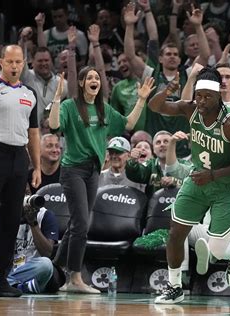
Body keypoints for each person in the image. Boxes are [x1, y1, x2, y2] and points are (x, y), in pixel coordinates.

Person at [149, 67, 230, 304]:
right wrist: (166, 90)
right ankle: (175, 286)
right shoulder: (190, 108)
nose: (201, 101)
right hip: (198, 180)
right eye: (198, 96)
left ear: (219, 94)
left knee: (218, 251)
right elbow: (155, 106)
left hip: (226, 187)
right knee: (176, 233)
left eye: (207, 97)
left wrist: (215, 175)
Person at [48, 69, 154, 294]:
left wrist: (142, 99)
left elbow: (128, 124)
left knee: (78, 222)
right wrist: (57, 99)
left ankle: (54, 267)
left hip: (93, 170)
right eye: (90, 78)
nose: (95, 80)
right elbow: (54, 125)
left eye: (98, 77)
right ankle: (75, 278)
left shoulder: (103, 109)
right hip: (73, 170)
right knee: (81, 224)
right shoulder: (69, 106)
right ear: (83, 82)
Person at [0, 44, 41, 297]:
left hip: (19, 158)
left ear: (24, 63)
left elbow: (34, 133)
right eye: (10, 62)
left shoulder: (30, 93)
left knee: (10, 222)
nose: (15, 66)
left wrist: (36, 165)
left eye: (19, 62)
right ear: (1, 62)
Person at [0, 203, 59, 294]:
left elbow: (47, 253)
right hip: (4, 268)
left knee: (46, 264)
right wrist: (9, 221)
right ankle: (19, 286)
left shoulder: (45, 215)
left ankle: (3, 283)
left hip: (31, 269)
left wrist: (33, 223)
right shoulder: (1, 214)